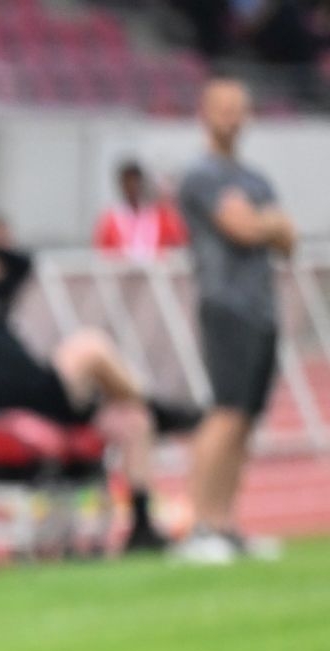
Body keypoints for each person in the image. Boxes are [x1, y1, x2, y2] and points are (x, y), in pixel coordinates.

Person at [0, 233, 171, 553]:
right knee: (89, 346)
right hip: (15, 401)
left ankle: (142, 525)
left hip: (43, 394)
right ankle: (155, 405)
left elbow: (22, 264)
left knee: (135, 420)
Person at [176, 77, 292, 564]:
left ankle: (226, 525)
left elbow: (287, 239)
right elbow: (244, 229)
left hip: (263, 308)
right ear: (204, 112)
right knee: (224, 412)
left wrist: (264, 224)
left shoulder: (255, 179)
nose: (231, 117)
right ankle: (200, 526)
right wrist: (267, 224)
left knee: (245, 419)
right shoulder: (200, 175)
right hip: (226, 307)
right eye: (222, 108)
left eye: (238, 108)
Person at [94, 160, 190, 261]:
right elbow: (103, 252)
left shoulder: (160, 215)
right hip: (122, 269)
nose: (132, 186)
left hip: (157, 268)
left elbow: (177, 244)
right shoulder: (111, 219)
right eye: (128, 182)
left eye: (135, 181)